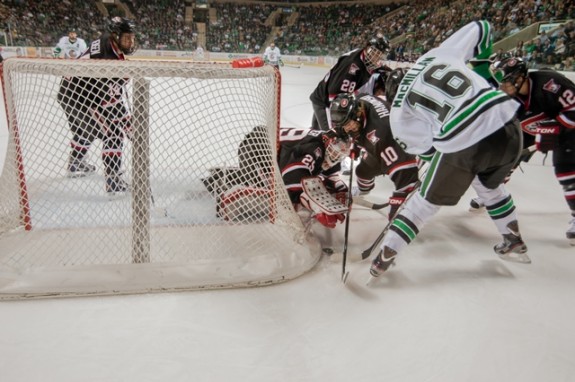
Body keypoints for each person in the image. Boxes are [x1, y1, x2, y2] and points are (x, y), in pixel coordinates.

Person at [369, 20, 530, 278]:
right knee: (488, 187)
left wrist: (437, 161)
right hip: (508, 122)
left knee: (422, 203)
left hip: (467, 136)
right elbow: (482, 27)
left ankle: (383, 258)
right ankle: (513, 239)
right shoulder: (434, 55)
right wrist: (481, 62)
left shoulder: (397, 113)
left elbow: (427, 151)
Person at [475, 57, 575, 245]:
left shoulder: (551, 84)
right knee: (506, 157)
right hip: (534, 128)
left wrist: (555, 127)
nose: (502, 85)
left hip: (567, 130)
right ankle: (492, 193)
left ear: (519, 77)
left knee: (566, 172)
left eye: (505, 80)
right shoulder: (509, 98)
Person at [202, 126, 352, 228]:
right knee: (276, 193)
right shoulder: (315, 148)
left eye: (340, 154)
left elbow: (332, 176)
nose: (335, 156)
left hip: (269, 147)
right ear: (326, 141)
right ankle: (217, 182)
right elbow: (291, 178)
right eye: (334, 151)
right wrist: (316, 206)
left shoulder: (325, 147)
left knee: (281, 187)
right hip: (257, 149)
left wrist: (342, 191)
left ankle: (220, 173)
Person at [57, 17, 137, 193]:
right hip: (81, 99)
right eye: (126, 38)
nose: (131, 42)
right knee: (113, 133)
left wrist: (126, 120)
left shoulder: (108, 45)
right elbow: (108, 102)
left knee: (86, 130)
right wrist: (126, 122)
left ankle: (76, 164)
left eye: (132, 38)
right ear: (115, 36)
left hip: (68, 94)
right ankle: (113, 182)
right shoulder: (107, 58)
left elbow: (109, 97)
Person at [329, 92, 419, 219]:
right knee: (362, 172)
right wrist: (355, 145)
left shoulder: (381, 134)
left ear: (358, 114)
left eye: (348, 123)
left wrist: (400, 200)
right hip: (393, 133)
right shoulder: (359, 100)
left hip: (407, 143)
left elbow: (405, 171)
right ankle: (364, 190)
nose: (347, 129)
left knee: (387, 167)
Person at [309, 34, 389, 131]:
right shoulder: (352, 67)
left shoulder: (364, 57)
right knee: (332, 138)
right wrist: (338, 125)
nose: (377, 58)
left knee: (316, 135)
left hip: (323, 97)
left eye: (380, 55)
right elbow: (335, 96)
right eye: (375, 53)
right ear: (367, 48)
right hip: (325, 103)